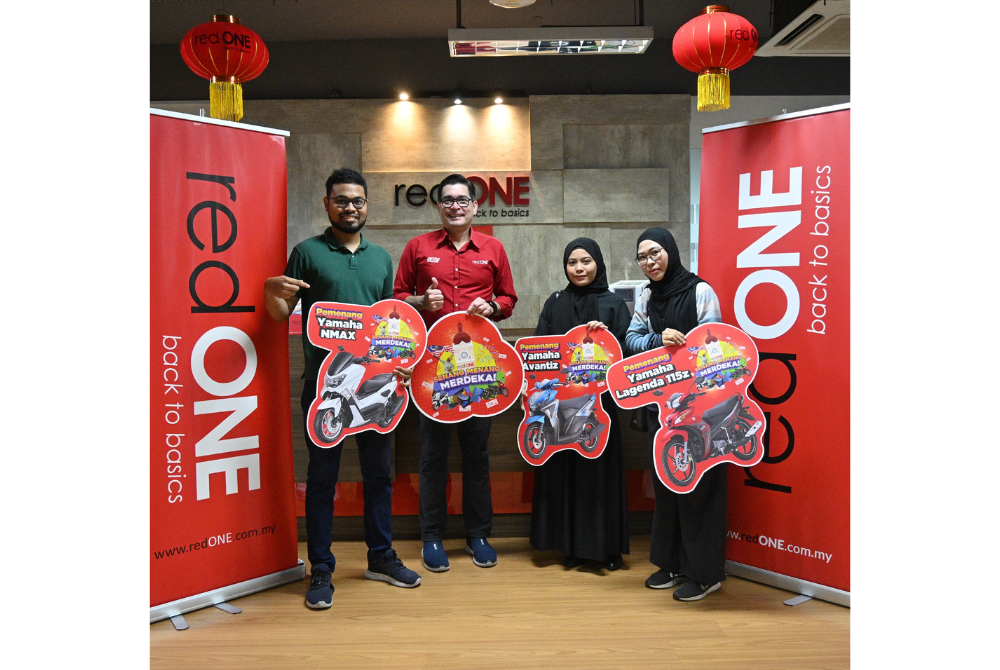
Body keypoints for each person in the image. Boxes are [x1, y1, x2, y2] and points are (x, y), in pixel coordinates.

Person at [264, 168, 420, 610]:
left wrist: (401, 364)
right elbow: (280, 313)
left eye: (357, 201)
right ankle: (321, 568)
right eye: (342, 200)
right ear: (327, 204)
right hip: (323, 385)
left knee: (379, 475)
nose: (350, 208)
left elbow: (387, 324)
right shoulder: (307, 252)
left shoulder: (381, 258)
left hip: (375, 382)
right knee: (322, 480)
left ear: (367, 204)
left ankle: (380, 557)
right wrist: (270, 290)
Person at [393, 173, 518, 572]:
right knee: (433, 455)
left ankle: (478, 535)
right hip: (432, 370)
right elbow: (397, 299)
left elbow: (509, 298)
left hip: (479, 370)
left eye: (462, 200)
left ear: (474, 206)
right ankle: (431, 537)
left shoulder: (493, 249)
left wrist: (492, 307)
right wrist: (420, 301)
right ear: (439, 207)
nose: (455, 206)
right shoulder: (418, 247)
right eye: (447, 200)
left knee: (476, 455)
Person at [624, 227, 725, 602]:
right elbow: (631, 339)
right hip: (662, 407)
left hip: (700, 409)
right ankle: (671, 563)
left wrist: (686, 345)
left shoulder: (700, 291)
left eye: (655, 253)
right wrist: (657, 339)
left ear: (670, 251)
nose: (649, 262)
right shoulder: (646, 294)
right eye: (642, 257)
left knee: (699, 488)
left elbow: (715, 344)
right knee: (668, 483)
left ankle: (704, 573)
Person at [529, 238, 631, 571]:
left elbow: (626, 355)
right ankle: (568, 547)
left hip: (600, 407)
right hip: (560, 404)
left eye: (586, 261)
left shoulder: (613, 304)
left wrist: (606, 338)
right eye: (572, 262)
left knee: (599, 475)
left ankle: (606, 549)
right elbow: (540, 349)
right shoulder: (555, 302)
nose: (579, 268)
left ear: (597, 263)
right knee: (564, 472)